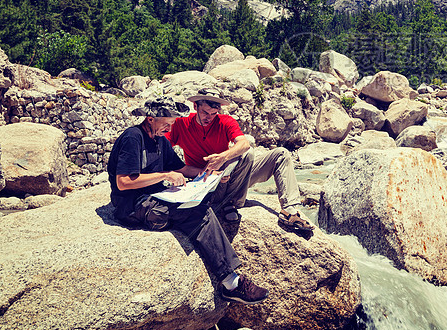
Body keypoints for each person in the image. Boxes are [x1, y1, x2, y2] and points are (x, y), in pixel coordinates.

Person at [107, 96, 268, 304]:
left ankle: (231, 281)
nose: (169, 127)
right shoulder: (133, 137)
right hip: (132, 205)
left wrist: (207, 172)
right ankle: (231, 283)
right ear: (150, 119)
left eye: (172, 123)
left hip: (155, 198)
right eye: (166, 122)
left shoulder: (160, 140)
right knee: (199, 212)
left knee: (198, 207)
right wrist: (165, 176)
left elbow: (181, 168)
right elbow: (124, 182)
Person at [166, 87, 314, 234]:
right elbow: (162, 154)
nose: (209, 117)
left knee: (279, 154)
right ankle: (230, 203)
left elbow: (244, 144)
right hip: (206, 185)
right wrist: (208, 173)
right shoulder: (181, 124)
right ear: (195, 106)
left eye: (213, 113)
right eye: (205, 112)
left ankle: (289, 211)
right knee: (245, 155)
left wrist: (222, 158)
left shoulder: (224, 121)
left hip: (231, 178)